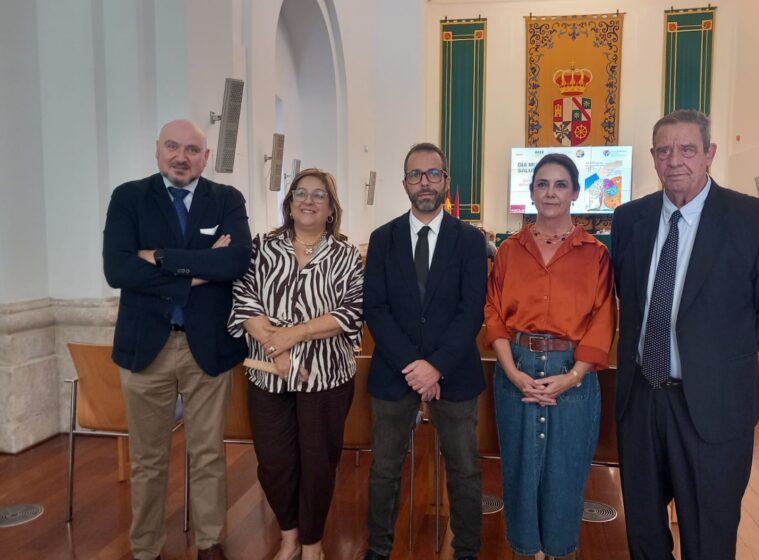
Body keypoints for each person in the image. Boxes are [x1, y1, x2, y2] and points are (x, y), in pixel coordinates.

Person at [611, 110, 759, 560]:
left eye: (687, 149)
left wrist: (715, 354)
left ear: (709, 154)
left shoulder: (758, 221)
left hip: (713, 407)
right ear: (654, 158)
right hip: (641, 401)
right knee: (644, 533)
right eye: (664, 151)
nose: (675, 160)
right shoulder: (628, 219)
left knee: (708, 537)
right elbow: (627, 296)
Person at [103, 119, 252, 560]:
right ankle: (145, 548)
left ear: (205, 157)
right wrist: (200, 267)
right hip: (146, 346)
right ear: (157, 150)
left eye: (191, 149)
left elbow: (237, 262)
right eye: (173, 146)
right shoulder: (129, 198)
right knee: (147, 460)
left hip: (207, 347)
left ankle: (210, 542)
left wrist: (161, 258)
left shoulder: (226, 199)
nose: (181, 157)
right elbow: (118, 270)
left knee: (207, 454)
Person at [484, 153, 616, 560]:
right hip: (516, 370)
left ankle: (558, 552)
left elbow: (603, 317)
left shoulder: (595, 254)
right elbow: (493, 312)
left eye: (561, 184)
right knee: (520, 472)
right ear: (532, 192)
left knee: (565, 472)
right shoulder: (508, 251)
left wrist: (573, 376)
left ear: (575, 192)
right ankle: (526, 551)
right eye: (542, 184)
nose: (551, 193)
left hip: (571, 373)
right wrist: (511, 371)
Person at [228, 168, 363, 560]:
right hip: (268, 376)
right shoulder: (262, 248)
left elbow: (350, 313)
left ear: (331, 208)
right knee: (274, 462)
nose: (308, 200)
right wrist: (278, 348)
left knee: (318, 464)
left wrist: (294, 334)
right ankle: (288, 533)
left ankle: (312, 543)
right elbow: (243, 298)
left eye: (319, 195)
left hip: (327, 377)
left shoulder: (345, 255)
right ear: (289, 204)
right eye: (300, 193)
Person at [363, 142, 488, 560]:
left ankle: (467, 550)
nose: (425, 183)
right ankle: (378, 549)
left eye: (433, 174)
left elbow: (472, 311)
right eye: (416, 175)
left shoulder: (470, 241)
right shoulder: (383, 239)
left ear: (446, 181)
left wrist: (435, 365)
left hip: (453, 370)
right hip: (394, 371)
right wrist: (412, 365)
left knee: (465, 469)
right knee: (384, 469)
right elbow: (375, 309)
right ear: (404, 184)